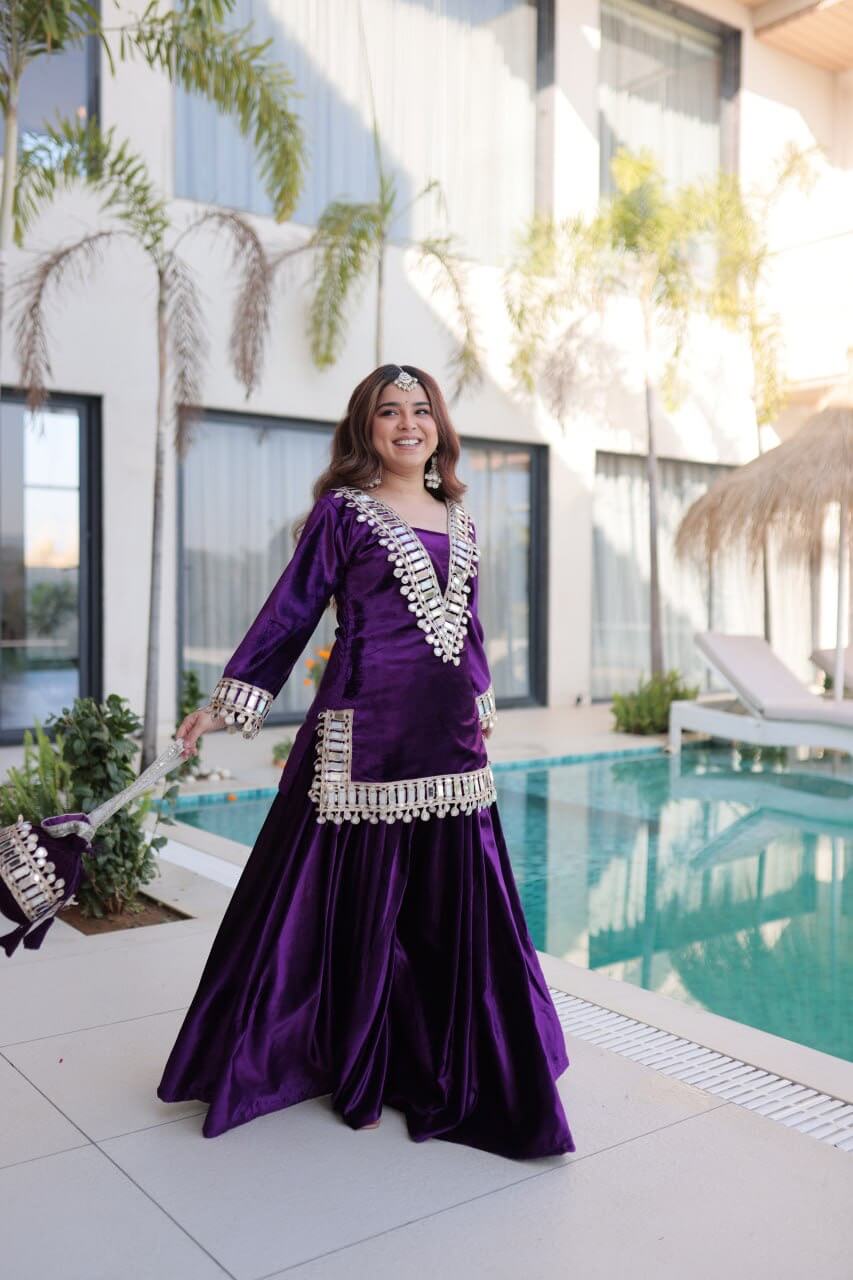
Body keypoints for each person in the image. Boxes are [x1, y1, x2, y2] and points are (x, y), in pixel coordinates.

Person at [157, 364, 575, 1160]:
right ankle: (339, 1058)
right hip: (362, 738)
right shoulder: (342, 513)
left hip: (448, 740)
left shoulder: (460, 517)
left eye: (421, 410)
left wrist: (479, 706)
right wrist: (228, 703)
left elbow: (468, 626)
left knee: (444, 913)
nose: (407, 424)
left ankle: (437, 1061)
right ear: (366, 428)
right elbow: (290, 611)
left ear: (439, 428)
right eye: (389, 412)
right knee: (346, 908)